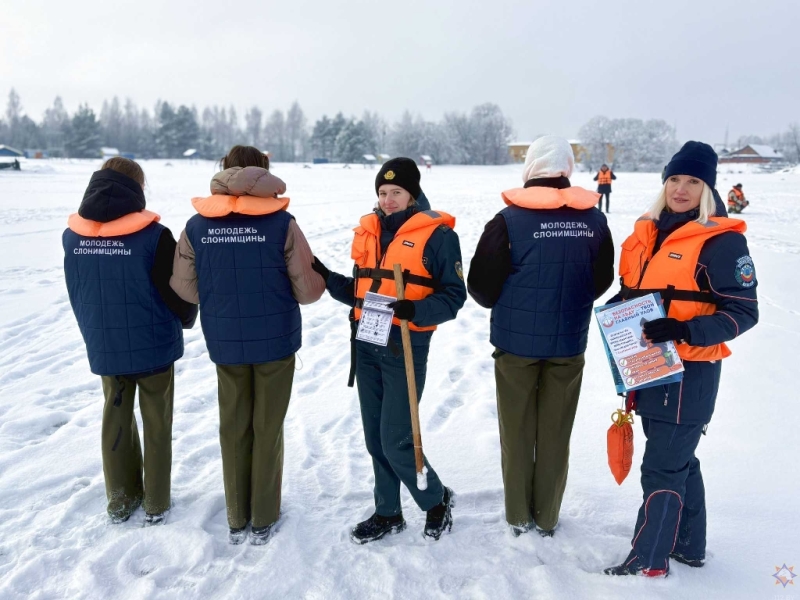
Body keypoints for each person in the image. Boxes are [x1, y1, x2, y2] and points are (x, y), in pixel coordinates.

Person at [604, 142, 758, 578]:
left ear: (707, 188)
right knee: (678, 460)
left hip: (690, 373)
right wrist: (617, 311)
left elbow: (744, 312)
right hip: (647, 367)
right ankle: (688, 546)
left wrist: (685, 330)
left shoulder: (722, 242)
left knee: (662, 466)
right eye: (674, 179)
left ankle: (648, 560)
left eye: (693, 181)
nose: (681, 189)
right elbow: (635, 290)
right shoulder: (648, 233)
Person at [170, 145, 325, 545]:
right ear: (264, 172)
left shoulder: (197, 224)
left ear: (224, 170)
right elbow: (308, 291)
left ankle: (237, 515)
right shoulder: (282, 222)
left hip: (225, 340)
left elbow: (184, 288)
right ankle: (264, 516)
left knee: (234, 425)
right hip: (276, 341)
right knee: (267, 427)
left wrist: (222, 299)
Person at [311, 157, 466, 543]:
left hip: (405, 347)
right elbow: (364, 290)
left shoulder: (438, 236)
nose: (388, 199)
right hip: (366, 343)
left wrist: (416, 310)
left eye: (396, 192)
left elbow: (453, 296)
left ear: (412, 194)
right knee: (374, 439)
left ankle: (436, 500)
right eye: (382, 192)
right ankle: (388, 512)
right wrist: (327, 278)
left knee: (396, 438)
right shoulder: (371, 231)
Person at [467, 136, 615, 537]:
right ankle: (547, 517)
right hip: (568, 342)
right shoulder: (594, 220)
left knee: (516, 433)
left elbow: (480, 287)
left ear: (530, 167)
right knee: (555, 434)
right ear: (567, 168)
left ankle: (518, 516)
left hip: (516, 347)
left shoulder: (507, 221)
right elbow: (602, 279)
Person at [63, 158, 197, 526]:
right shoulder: (155, 236)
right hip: (154, 346)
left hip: (105, 344)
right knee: (157, 423)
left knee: (115, 417)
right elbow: (177, 291)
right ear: (137, 188)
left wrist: (92, 329)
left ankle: (120, 501)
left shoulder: (72, 237)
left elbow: (77, 290)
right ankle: (156, 502)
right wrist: (187, 319)